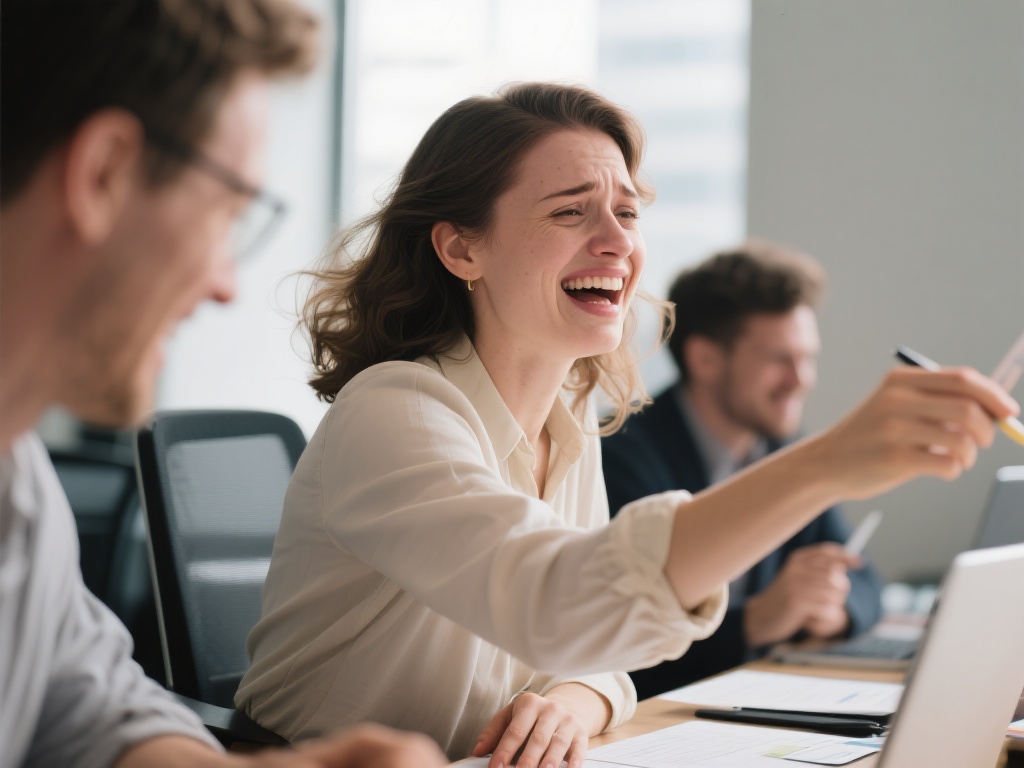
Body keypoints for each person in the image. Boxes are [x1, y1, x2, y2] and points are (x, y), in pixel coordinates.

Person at [235, 81, 1018, 768]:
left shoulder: (569, 421)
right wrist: (825, 464)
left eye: (627, 212)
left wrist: (573, 701)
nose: (616, 242)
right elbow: (559, 601)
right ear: (460, 247)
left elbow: (601, 655)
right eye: (572, 212)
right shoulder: (397, 410)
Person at [0, 2, 447, 767]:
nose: (224, 285)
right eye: (227, 214)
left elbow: (94, 712)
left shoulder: (19, 477)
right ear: (102, 171)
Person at [601, 242, 884, 699]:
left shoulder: (780, 445)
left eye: (807, 357)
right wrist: (755, 621)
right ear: (705, 360)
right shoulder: (620, 457)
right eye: (780, 359)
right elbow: (615, 643)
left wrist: (834, 609)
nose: (801, 379)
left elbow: (867, 580)